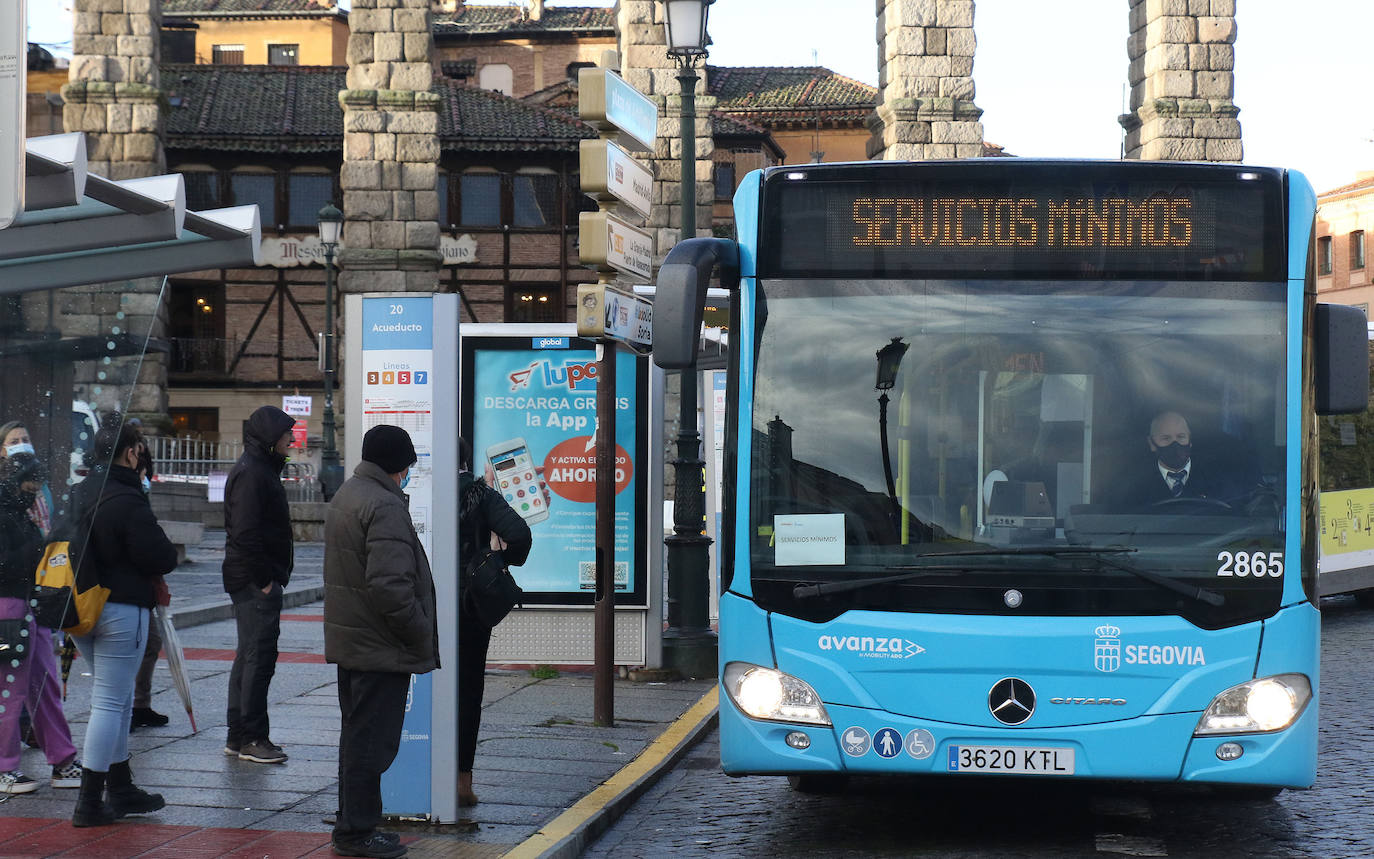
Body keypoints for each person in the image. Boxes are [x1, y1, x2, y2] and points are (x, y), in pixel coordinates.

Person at [323, 425, 436, 859]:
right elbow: (391, 586)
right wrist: (418, 630)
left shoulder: (350, 494)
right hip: (379, 646)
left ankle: (354, 825)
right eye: (408, 464)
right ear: (399, 464)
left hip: (355, 642)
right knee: (371, 744)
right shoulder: (384, 505)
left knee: (356, 739)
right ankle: (356, 833)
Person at [70, 418, 178, 827]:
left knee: (111, 701)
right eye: (141, 448)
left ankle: (120, 786)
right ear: (131, 452)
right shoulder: (127, 498)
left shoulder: (79, 492)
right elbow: (160, 556)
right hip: (120, 609)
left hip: (81, 610)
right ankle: (90, 801)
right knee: (110, 703)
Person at [0, 422, 82, 795]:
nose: (34, 492)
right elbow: (9, 561)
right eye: (30, 486)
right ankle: (4, 768)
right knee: (10, 690)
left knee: (44, 685)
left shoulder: (21, 508)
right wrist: (40, 550)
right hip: (9, 606)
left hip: (32, 605)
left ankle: (63, 760)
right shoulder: (6, 510)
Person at [457, 437, 530, 807]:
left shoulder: (417, 491)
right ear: (467, 460)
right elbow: (519, 534)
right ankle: (462, 781)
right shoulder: (479, 494)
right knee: (468, 689)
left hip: (425, 603)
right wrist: (498, 560)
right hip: (470, 605)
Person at [222, 405, 296, 765]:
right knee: (258, 658)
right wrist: (265, 580)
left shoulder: (258, 469)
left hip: (249, 578)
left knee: (248, 656)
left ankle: (239, 735)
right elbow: (247, 533)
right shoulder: (254, 474)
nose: (292, 440)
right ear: (270, 437)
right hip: (253, 581)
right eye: (286, 434)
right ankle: (252, 737)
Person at [1115, 410, 1252, 510]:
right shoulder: (1132, 486)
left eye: (1181, 437)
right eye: (1166, 438)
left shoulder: (1220, 481)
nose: (1175, 445)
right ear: (1151, 443)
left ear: (1190, 441)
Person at [130, 444, 169, 730]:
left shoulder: (137, 496)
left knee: (151, 643)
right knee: (140, 645)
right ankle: (132, 705)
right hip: (127, 589)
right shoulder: (128, 499)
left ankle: (139, 704)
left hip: (141, 584)